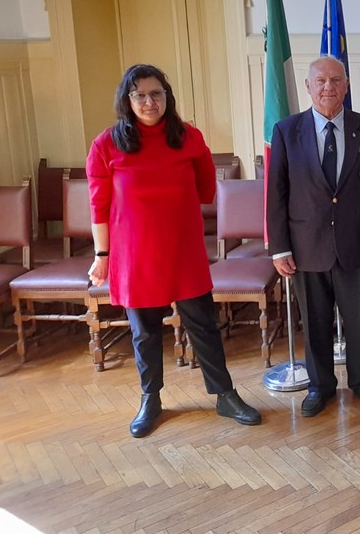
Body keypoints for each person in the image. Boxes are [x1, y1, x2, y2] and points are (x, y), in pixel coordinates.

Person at [86, 64, 261, 438]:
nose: (149, 102)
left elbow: (205, 190)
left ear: (167, 97)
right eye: (140, 95)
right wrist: (102, 257)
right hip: (135, 256)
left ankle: (225, 395)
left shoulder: (189, 138)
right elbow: (98, 207)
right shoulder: (106, 145)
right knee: (145, 333)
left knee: (203, 326)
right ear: (126, 100)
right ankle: (151, 399)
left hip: (183, 251)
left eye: (156, 94)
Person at [267, 56, 360, 417]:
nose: (328, 87)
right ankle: (320, 386)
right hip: (306, 247)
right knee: (316, 322)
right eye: (320, 81)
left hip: (357, 244)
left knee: (358, 320)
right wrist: (279, 248)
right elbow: (276, 194)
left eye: (336, 80)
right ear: (308, 86)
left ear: (346, 85)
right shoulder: (286, 131)